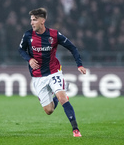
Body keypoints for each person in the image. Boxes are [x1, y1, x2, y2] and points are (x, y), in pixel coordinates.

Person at [18, 7, 86, 137]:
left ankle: (75, 129)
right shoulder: (28, 35)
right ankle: (58, 96)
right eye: (31, 20)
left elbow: (72, 47)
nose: (31, 23)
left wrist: (79, 65)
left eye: (34, 20)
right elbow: (21, 50)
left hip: (54, 72)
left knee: (62, 98)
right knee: (49, 110)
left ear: (42, 21)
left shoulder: (54, 35)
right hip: (38, 76)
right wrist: (30, 59)